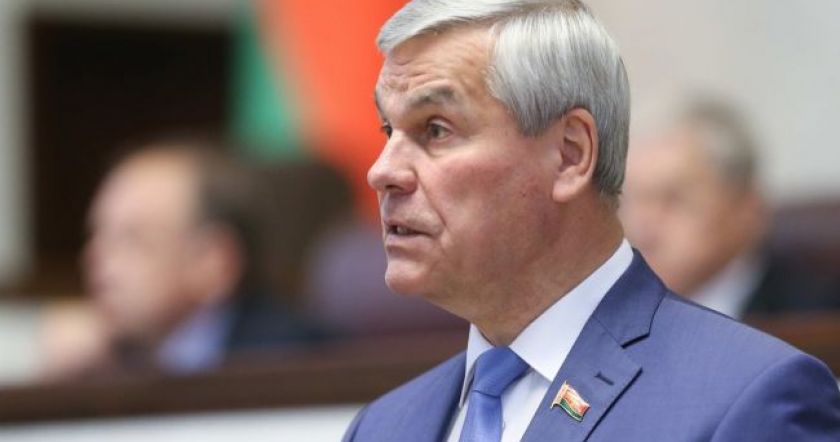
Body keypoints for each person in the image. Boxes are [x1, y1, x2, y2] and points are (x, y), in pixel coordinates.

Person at [342, 1, 840, 441]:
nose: (382, 171)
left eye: (435, 129)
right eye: (388, 130)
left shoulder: (750, 398)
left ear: (569, 154)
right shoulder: (382, 427)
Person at [63, 141, 328, 377]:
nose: (94, 256)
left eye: (131, 238)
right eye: (97, 234)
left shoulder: (298, 365)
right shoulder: (100, 364)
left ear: (214, 262)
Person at [621, 100, 840, 319]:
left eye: (673, 199)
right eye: (630, 199)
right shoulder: (612, 312)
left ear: (747, 210)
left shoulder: (817, 316)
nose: (642, 227)